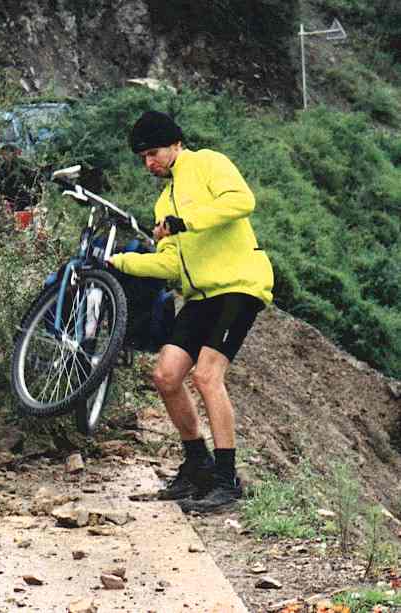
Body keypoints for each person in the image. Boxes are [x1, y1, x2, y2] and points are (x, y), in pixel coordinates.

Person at [108, 110, 274, 513]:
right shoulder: (163, 200)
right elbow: (168, 264)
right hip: (199, 297)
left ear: (176, 144)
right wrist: (119, 263)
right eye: (143, 157)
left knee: (206, 375)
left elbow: (241, 201)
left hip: (239, 285)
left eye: (154, 152)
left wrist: (187, 222)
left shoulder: (208, 163)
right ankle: (198, 465)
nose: (149, 162)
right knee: (165, 376)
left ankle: (227, 479)